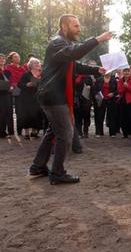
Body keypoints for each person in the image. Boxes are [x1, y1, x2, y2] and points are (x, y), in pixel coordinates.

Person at [29, 14, 111, 185]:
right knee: (66, 133)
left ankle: (38, 166)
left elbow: (75, 65)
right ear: (64, 27)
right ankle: (57, 173)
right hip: (53, 95)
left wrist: (97, 70)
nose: (79, 29)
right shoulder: (57, 42)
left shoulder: (64, 44)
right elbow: (74, 54)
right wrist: (98, 39)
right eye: (76, 26)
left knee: (54, 131)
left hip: (53, 94)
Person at [17, 57, 43, 139]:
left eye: (38, 63)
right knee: (27, 115)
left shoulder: (41, 74)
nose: (38, 64)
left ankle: (34, 132)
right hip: (26, 97)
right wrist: (27, 85)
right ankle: (27, 133)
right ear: (31, 65)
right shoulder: (26, 74)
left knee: (37, 114)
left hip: (37, 97)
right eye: (36, 63)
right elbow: (19, 84)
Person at [93, 72, 118, 137]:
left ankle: (112, 133)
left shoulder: (114, 80)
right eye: (106, 71)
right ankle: (99, 132)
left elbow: (117, 90)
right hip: (101, 100)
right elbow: (94, 89)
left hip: (111, 100)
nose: (107, 73)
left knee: (111, 116)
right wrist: (96, 95)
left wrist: (113, 93)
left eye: (109, 71)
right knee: (99, 116)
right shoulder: (99, 79)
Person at [118, 67, 131, 138]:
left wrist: (127, 86)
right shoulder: (120, 80)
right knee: (123, 118)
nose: (126, 73)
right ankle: (125, 134)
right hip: (122, 101)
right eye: (125, 71)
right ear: (123, 72)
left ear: (130, 73)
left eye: (128, 71)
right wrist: (124, 86)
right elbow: (119, 91)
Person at [0, 53, 14, 138]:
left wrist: (12, 86)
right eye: (0, 59)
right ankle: (1, 132)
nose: (2, 60)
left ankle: (6, 131)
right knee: (1, 113)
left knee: (7, 112)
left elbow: (11, 81)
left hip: (7, 94)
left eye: (3, 59)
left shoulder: (7, 71)